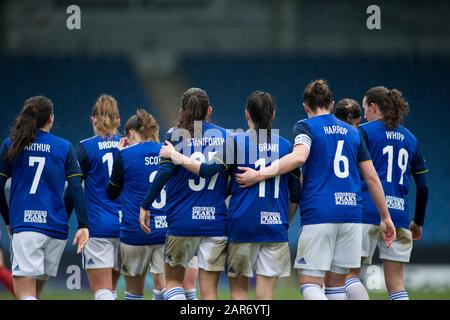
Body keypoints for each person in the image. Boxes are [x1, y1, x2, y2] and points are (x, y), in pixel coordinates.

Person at [235, 80, 396, 300]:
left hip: (321, 213)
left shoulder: (306, 127)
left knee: (310, 283)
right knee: (336, 285)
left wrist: (260, 174)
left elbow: (300, 156)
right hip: (351, 215)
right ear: (331, 104)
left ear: (305, 106)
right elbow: (372, 177)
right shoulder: (353, 133)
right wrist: (385, 216)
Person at [159, 91, 301, 300]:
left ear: (246, 114)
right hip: (275, 227)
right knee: (265, 295)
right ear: (273, 115)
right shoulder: (287, 147)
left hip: (242, 225)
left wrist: (175, 155)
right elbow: (296, 194)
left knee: (239, 293)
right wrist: (285, 222)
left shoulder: (235, 142)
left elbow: (216, 178)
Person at [140, 88, 228, 300]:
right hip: (215, 222)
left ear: (182, 111)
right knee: (208, 293)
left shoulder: (174, 135)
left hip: (182, 221)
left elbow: (163, 173)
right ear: (209, 110)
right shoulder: (226, 137)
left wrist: (145, 205)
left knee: (173, 283)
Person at [345, 86, 429, 301]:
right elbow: (423, 187)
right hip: (400, 217)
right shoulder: (411, 139)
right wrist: (417, 222)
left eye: (365, 108)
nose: (363, 114)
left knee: (348, 275)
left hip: (366, 213)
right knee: (397, 285)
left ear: (373, 107)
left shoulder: (363, 132)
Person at [0, 96, 89, 300]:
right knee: (35, 294)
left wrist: (8, 219)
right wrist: (83, 224)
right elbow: (76, 187)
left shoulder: (11, 144)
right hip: (55, 231)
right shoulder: (64, 147)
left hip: (26, 228)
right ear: (51, 119)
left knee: (24, 294)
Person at [106, 109, 167, 300]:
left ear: (131, 134)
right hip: (165, 231)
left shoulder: (125, 155)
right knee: (166, 289)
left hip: (134, 232)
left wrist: (119, 153)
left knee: (133, 293)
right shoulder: (167, 151)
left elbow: (112, 193)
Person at [68, 94, 122, 300]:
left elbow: (73, 187)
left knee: (102, 291)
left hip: (98, 227)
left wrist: (64, 217)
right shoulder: (127, 145)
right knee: (112, 291)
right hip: (125, 226)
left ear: (94, 119)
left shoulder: (86, 146)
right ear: (118, 120)